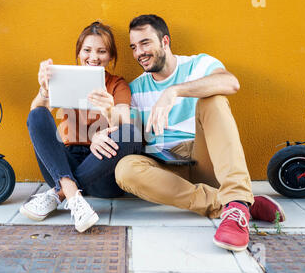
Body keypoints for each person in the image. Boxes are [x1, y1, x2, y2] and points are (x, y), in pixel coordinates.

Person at [113, 14, 285, 251]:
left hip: (205, 157)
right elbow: (125, 133)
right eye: (134, 47)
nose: (138, 52)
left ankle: (236, 198)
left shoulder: (199, 64)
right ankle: (235, 206)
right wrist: (105, 123)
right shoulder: (135, 89)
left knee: (212, 100)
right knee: (125, 169)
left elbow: (230, 83)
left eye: (145, 43)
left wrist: (173, 92)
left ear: (165, 41)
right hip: (167, 170)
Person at [20, 21, 142, 233]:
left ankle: (60, 193)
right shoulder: (65, 76)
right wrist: (43, 90)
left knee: (131, 134)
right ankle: (70, 190)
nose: (93, 57)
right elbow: (36, 117)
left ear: (111, 56)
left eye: (101, 51)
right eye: (87, 50)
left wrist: (109, 113)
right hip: (62, 163)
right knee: (37, 113)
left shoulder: (116, 84)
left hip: (102, 168)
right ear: (78, 52)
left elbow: (125, 125)